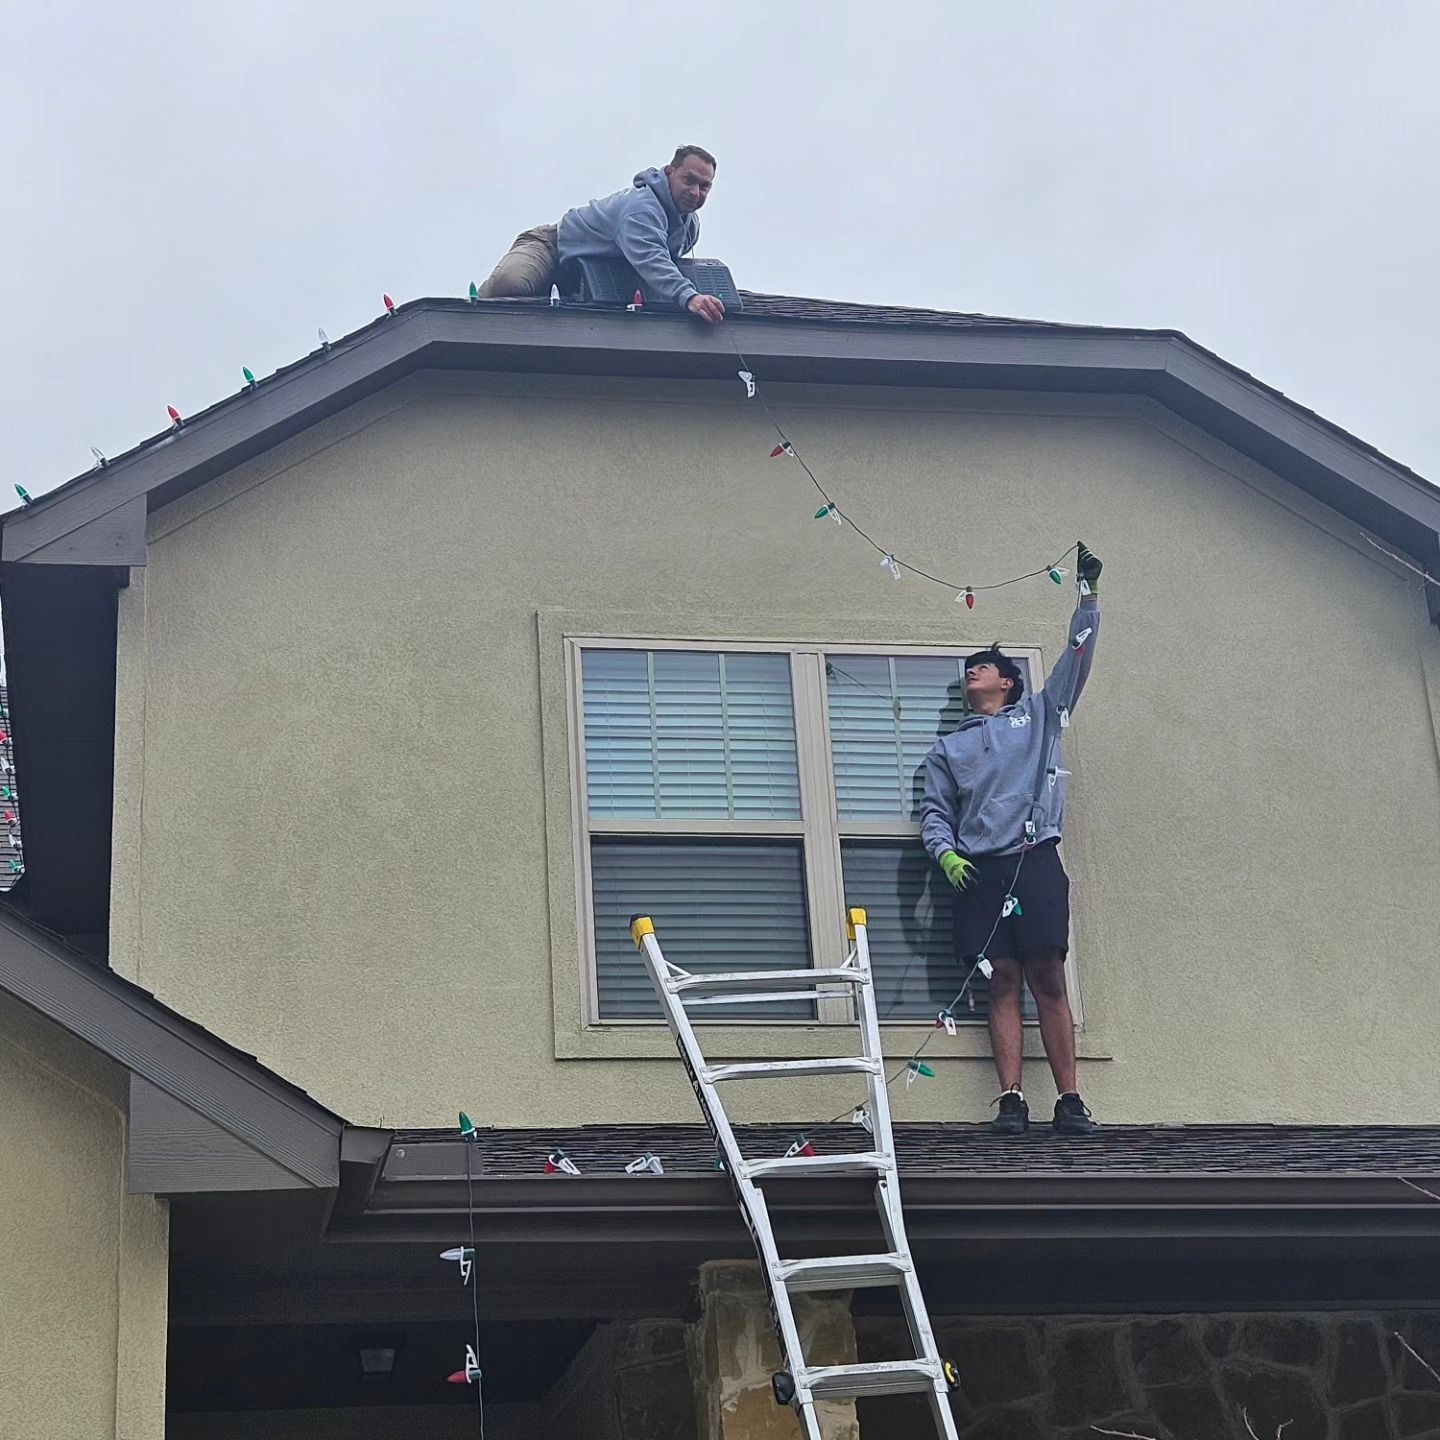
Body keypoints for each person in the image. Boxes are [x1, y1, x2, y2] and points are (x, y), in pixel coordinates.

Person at [918, 544, 1104, 1136]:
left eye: (983, 665)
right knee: (1001, 978)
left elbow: (1076, 662)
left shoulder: (1041, 717)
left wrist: (1087, 599)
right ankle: (1011, 1099)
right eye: (967, 668)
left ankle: (1071, 1098)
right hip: (980, 869)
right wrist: (944, 853)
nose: (972, 672)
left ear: (1008, 681)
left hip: (1034, 858)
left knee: (1047, 971)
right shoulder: (949, 749)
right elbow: (935, 812)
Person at [475, 146, 726, 324]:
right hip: (553, 249)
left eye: (704, 186)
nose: (695, 193)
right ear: (670, 172)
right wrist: (689, 296)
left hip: (585, 274)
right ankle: (473, 315)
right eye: (689, 180)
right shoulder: (641, 210)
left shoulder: (689, 226)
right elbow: (652, 259)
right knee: (509, 286)